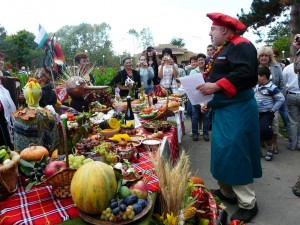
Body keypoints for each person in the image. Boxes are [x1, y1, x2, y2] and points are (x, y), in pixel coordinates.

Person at [196, 12, 262, 222]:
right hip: (224, 109)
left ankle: (248, 204)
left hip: (238, 110)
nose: (209, 33)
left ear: (224, 30)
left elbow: (246, 74)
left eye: (212, 29)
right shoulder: (224, 49)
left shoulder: (242, 45)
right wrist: (211, 99)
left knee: (236, 153)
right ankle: (228, 193)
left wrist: (215, 86)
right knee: (222, 152)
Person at [257, 46, 284, 154]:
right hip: (259, 102)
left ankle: (274, 143)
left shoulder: (276, 68)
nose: (264, 58)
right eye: (261, 55)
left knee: (274, 124)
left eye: (266, 55)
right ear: (258, 57)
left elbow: (282, 84)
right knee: (260, 123)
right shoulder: (255, 69)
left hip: (273, 102)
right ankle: (263, 141)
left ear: (270, 57)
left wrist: (280, 100)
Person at [254, 66, 285, 161]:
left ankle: (270, 149)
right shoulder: (256, 86)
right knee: (256, 131)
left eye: (257, 76)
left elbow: (281, 98)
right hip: (256, 113)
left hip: (266, 113)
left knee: (265, 130)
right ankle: (257, 150)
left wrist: (273, 109)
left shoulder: (272, 87)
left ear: (263, 76)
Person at [189, 53, 210, 141]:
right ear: (197, 62)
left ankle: (205, 134)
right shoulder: (193, 72)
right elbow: (190, 84)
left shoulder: (209, 71)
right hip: (196, 96)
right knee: (195, 116)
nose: (201, 61)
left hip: (206, 96)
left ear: (205, 60)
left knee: (206, 116)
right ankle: (195, 133)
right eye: (199, 60)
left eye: (202, 59)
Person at [282, 62, 300, 151]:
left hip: (291, 95)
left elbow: (283, 83)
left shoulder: (288, 68)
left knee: (292, 122)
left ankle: (293, 145)